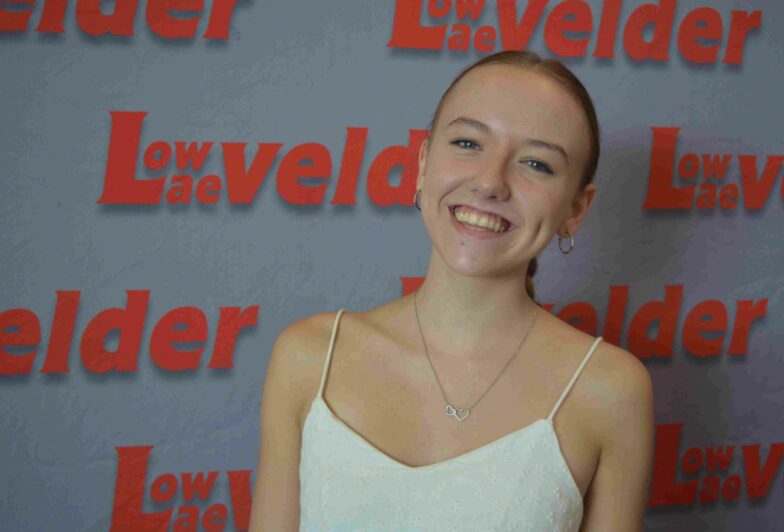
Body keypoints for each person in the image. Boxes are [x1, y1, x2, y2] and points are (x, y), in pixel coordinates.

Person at [249, 50, 654, 531]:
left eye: (536, 164)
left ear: (576, 209)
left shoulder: (611, 390)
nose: (490, 182)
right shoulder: (309, 358)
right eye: (467, 142)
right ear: (423, 163)